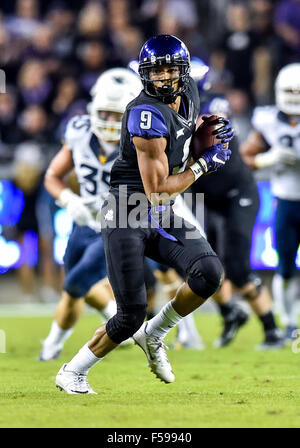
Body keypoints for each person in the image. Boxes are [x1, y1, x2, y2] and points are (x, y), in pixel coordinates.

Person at [55, 34, 234, 394]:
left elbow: (184, 129)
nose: (164, 78)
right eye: (156, 71)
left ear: (183, 73)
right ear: (144, 75)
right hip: (127, 209)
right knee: (129, 314)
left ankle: (156, 333)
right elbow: (157, 189)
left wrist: (208, 126)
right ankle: (72, 372)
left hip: (161, 210)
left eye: (170, 70)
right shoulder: (145, 114)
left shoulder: (191, 95)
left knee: (209, 273)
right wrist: (203, 165)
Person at [39, 68, 143, 361]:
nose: (109, 121)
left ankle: (52, 345)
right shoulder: (80, 132)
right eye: (104, 113)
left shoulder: (143, 142)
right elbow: (52, 176)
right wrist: (69, 200)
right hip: (83, 222)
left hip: (119, 224)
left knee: (76, 282)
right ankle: (60, 344)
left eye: (116, 114)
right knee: (73, 290)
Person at [189, 57, 285, 350]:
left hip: (236, 192)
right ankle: (231, 312)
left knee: (238, 267)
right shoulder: (167, 110)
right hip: (202, 194)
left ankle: (272, 330)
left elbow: (213, 133)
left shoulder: (211, 104)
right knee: (203, 268)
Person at [241, 63, 300, 341]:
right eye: (290, 90)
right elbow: (243, 159)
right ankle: (288, 322)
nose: (294, 96)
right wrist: (268, 158)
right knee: (285, 266)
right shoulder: (267, 120)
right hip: (286, 200)